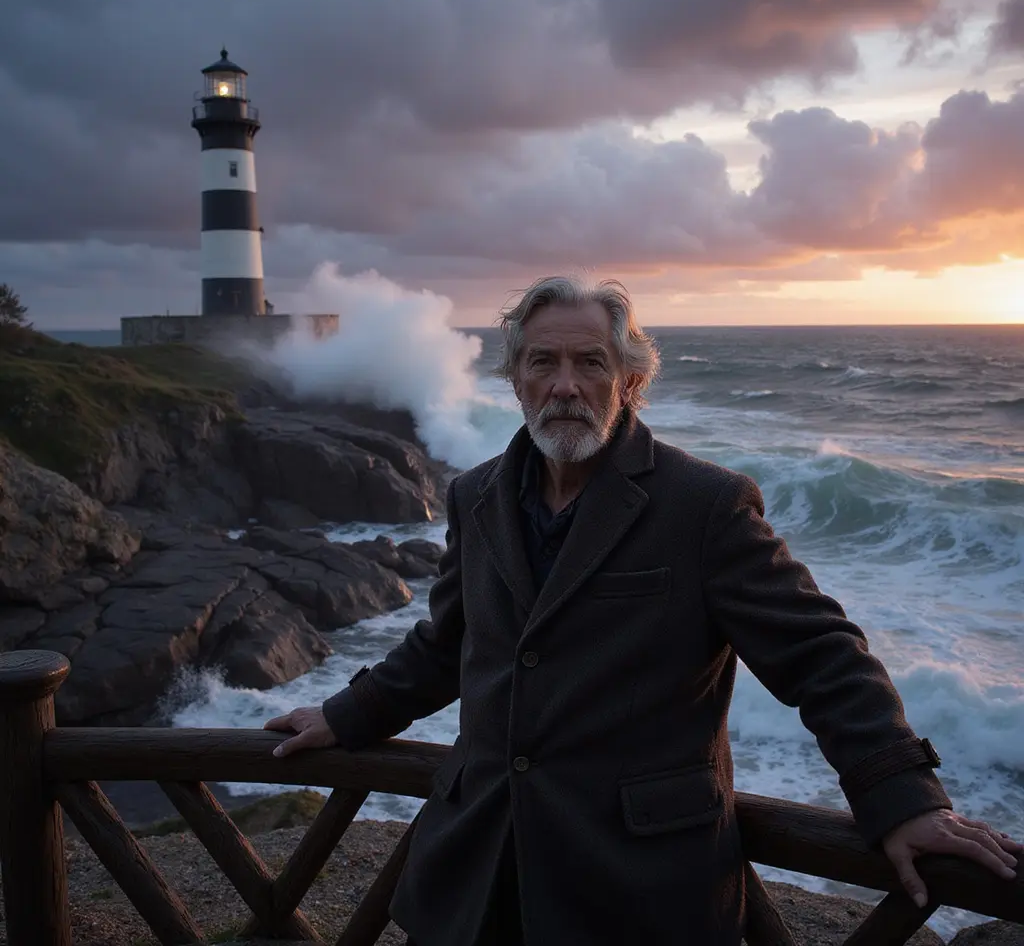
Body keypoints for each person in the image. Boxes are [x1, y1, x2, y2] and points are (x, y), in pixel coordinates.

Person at [264, 276, 1021, 945]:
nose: (566, 385)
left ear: (629, 379)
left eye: (591, 362)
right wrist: (347, 714)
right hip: (479, 864)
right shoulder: (477, 495)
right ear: (515, 379)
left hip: (634, 883)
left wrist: (902, 799)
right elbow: (447, 645)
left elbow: (821, 655)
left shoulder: (704, 506)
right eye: (543, 362)